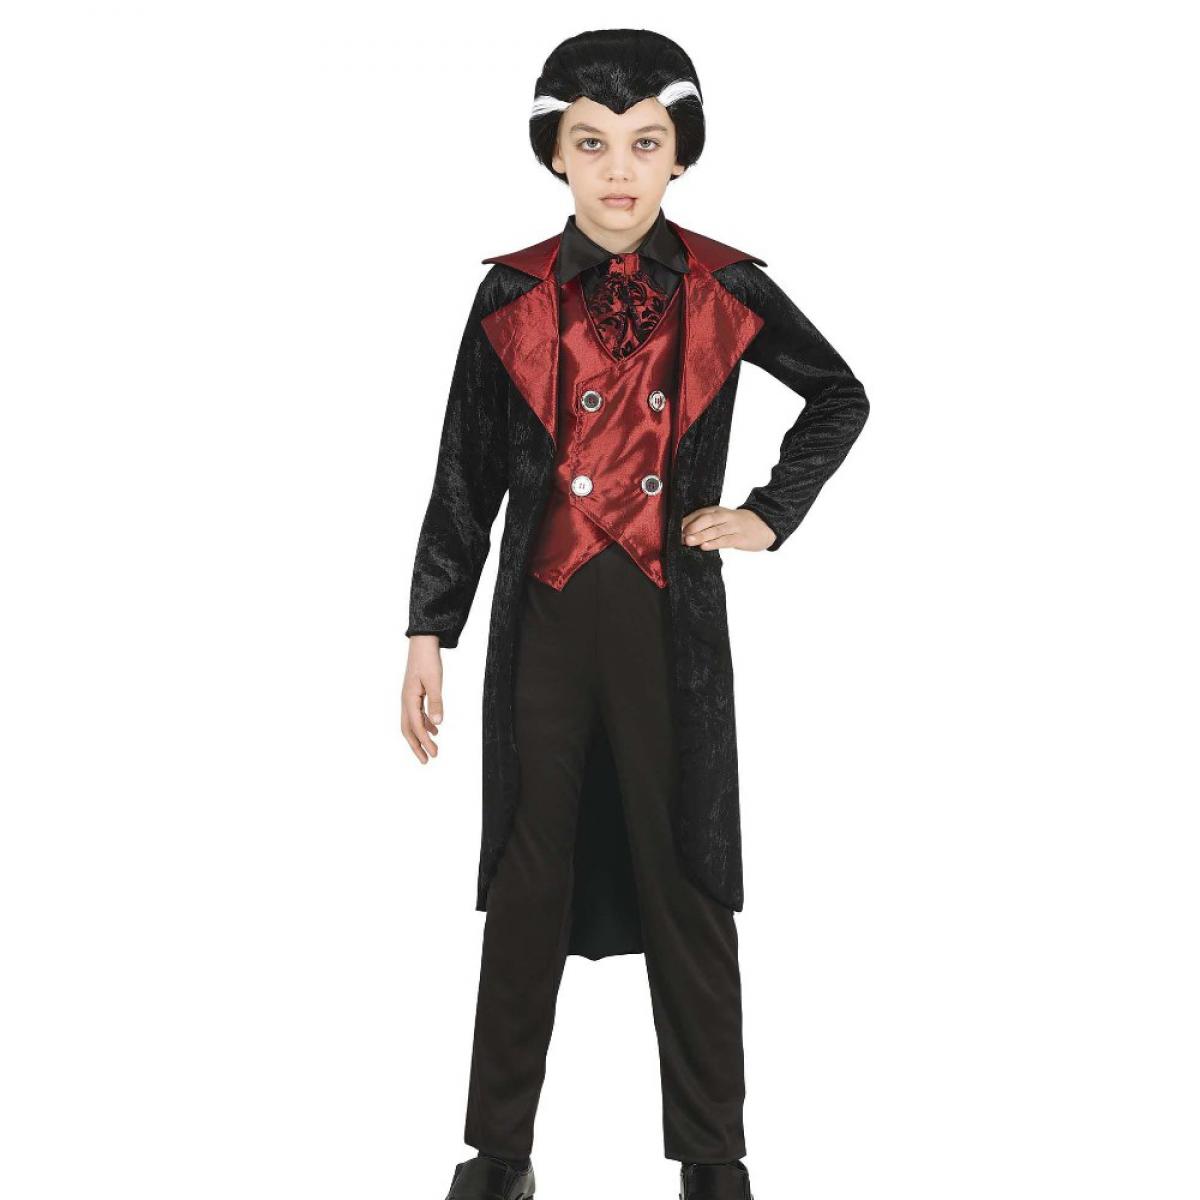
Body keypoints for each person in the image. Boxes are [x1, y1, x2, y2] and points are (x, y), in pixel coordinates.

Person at [402, 28, 870, 1200]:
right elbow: (463, 478)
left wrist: (766, 513)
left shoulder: (724, 285)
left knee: (689, 876)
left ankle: (715, 1157)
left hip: (671, 625)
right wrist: (428, 630)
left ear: (681, 155)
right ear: (554, 154)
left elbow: (838, 396)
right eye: (593, 142)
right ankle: (497, 1155)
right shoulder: (511, 294)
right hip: (544, 622)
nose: (620, 169)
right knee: (526, 878)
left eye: (646, 144)